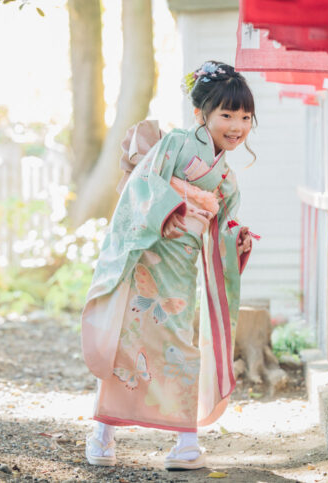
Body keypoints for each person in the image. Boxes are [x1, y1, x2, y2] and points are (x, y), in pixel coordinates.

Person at [80, 60, 258, 470]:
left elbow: (223, 227)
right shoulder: (175, 145)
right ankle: (102, 435)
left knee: (180, 347)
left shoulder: (227, 179)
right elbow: (142, 185)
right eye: (227, 115)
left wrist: (237, 238)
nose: (237, 125)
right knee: (124, 341)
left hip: (180, 271)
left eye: (245, 117)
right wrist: (173, 208)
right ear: (201, 114)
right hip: (146, 257)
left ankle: (185, 445)